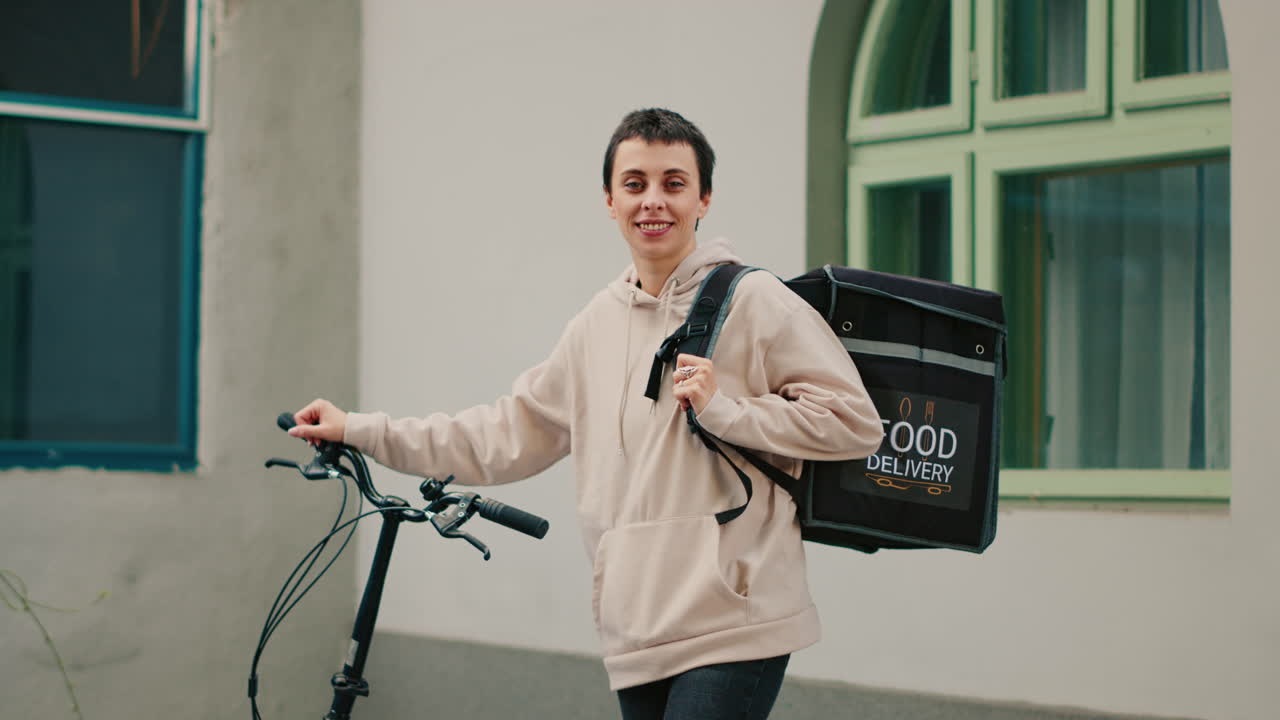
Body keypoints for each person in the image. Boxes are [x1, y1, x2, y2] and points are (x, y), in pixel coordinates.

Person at [289, 108, 884, 719]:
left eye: (674, 184)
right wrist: (359, 428)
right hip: (637, 628)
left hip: (735, 619)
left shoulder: (755, 301)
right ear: (609, 200)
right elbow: (503, 435)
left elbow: (854, 423)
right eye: (635, 184)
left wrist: (725, 410)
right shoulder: (595, 324)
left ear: (704, 198)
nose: (653, 201)